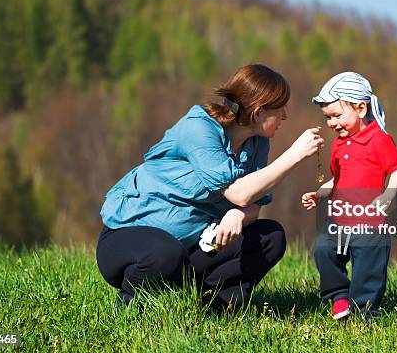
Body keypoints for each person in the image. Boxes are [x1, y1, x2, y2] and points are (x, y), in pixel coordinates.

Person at [96, 64, 324, 309]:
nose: (285, 116)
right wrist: (294, 155)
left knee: (271, 237)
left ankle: (216, 307)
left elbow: (252, 203)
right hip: (128, 241)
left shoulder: (257, 143)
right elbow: (238, 192)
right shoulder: (199, 129)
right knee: (166, 253)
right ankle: (130, 305)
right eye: (280, 109)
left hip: (192, 245)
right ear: (258, 112)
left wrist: (238, 214)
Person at [301, 71, 397, 320]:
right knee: (324, 252)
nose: (332, 123)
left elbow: (396, 169)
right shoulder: (338, 144)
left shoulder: (379, 139)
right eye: (327, 117)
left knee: (368, 270)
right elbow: (338, 178)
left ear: (360, 109)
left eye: (337, 115)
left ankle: (363, 314)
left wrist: (388, 196)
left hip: (369, 221)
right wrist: (320, 193)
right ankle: (338, 297)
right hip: (340, 218)